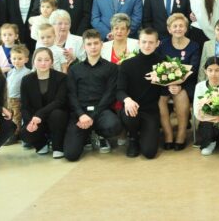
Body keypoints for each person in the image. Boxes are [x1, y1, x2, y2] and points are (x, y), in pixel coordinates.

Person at [64, 29, 123, 161]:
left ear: (102, 44)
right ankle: (87, 135)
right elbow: (71, 95)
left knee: (114, 125)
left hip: (101, 110)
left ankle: (100, 134)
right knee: (71, 155)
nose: (93, 47)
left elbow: (110, 94)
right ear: (84, 46)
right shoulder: (74, 69)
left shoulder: (111, 68)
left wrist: (93, 115)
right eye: (89, 44)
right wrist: (81, 114)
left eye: (96, 43)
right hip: (80, 113)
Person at [116, 28, 165, 159]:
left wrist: (162, 80)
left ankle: (145, 134)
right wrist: (127, 100)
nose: (147, 45)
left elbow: (166, 92)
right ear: (138, 42)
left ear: (157, 43)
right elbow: (119, 90)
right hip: (132, 108)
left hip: (150, 110)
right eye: (144, 42)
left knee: (149, 153)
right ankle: (133, 138)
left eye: (151, 42)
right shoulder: (127, 64)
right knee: (130, 112)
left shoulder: (163, 63)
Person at [158, 14, 200, 149]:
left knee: (180, 94)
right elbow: (159, 66)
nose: (178, 29)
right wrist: (169, 83)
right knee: (160, 98)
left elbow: (193, 69)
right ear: (169, 29)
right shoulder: (163, 44)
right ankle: (168, 135)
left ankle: (181, 135)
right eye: (174, 26)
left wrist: (179, 84)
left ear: (186, 28)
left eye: (181, 26)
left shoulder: (194, 46)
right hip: (165, 82)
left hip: (187, 81)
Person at [20, 47, 69, 159]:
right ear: (33, 61)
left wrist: (39, 114)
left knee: (57, 114)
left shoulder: (61, 78)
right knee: (25, 134)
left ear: (51, 61)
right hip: (36, 119)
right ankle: (41, 144)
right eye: (39, 60)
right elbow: (25, 106)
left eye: (47, 60)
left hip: (56, 117)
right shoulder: (26, 80)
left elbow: (60, 101)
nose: (43, 63)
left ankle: (58, 147)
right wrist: (30, 122)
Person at [4, 45, 31, 145]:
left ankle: (15, 134)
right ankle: (9, 132)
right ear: (10, 59)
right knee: (9, 117)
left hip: (18, 100)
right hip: (8, 99)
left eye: (20, 58)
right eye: (14, 58)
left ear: (26, 59)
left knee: (17, 118)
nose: (17, 61)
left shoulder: (27, 72)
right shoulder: (11, 71)